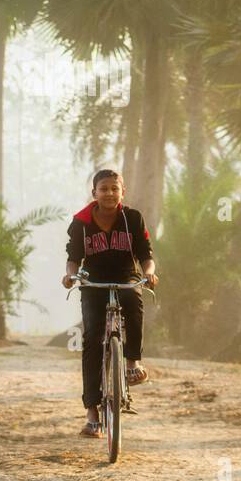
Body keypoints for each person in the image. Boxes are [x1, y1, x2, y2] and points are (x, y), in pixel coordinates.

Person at [62, 169, 158, 438]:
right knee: (92, 338)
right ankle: (92, 412)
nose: (109, 193)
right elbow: (73, 257)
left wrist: (149, 272)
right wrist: (70, 275)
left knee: (134, 300)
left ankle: (131, 364)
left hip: (126, 275)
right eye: (103, 188)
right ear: (94, 193)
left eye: (115, 188)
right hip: (93, 281)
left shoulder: (133, 218)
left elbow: (145, 255)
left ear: (122, 192)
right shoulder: (80, 223)